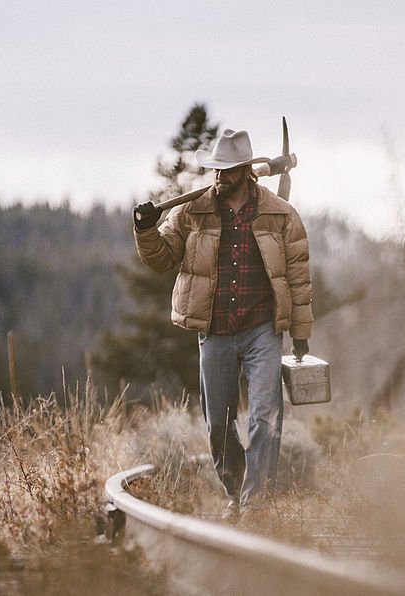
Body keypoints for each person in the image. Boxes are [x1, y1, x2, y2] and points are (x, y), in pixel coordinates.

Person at [132, 128, 312, 520]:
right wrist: (145, 230)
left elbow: (297, 275)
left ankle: (255, 503)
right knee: (219, 425)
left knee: (266, 416)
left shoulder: (279, 214)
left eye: (228, 170)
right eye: (216, 169)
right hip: (214, 331)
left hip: (262, 329)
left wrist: (300, 332)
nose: (219, 177)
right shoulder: (191, 212)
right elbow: (162, 259)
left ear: (246, 171)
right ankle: (236, 490)